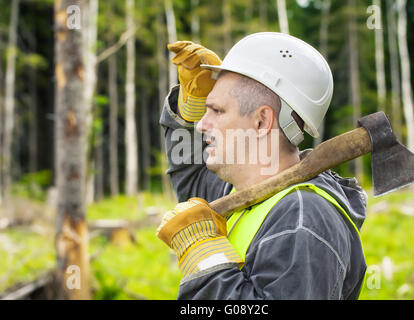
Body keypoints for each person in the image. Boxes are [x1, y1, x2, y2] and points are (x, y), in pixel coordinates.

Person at [157, 32, 367, 299]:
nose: (201, 124)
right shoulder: (244, 195)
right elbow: (193, 180)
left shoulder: (302, 221)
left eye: (217, 111)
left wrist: (204, 256)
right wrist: (190, 105)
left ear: (261, 121)